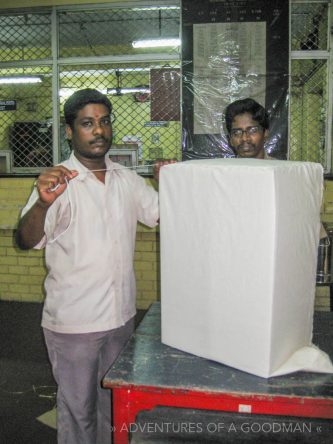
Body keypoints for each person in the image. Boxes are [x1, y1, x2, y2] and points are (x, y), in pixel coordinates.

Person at [15, 88, 159, 444]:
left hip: (121, 318)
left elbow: (163, 215)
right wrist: (43, 205)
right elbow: (26, 239)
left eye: (104, 121)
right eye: (87, 123)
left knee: (113, 405)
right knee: (79, 413)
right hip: (75, 324)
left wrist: (172, 181)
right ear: (70, 131)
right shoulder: (58, 182)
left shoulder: (127, 180)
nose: (99, 131)